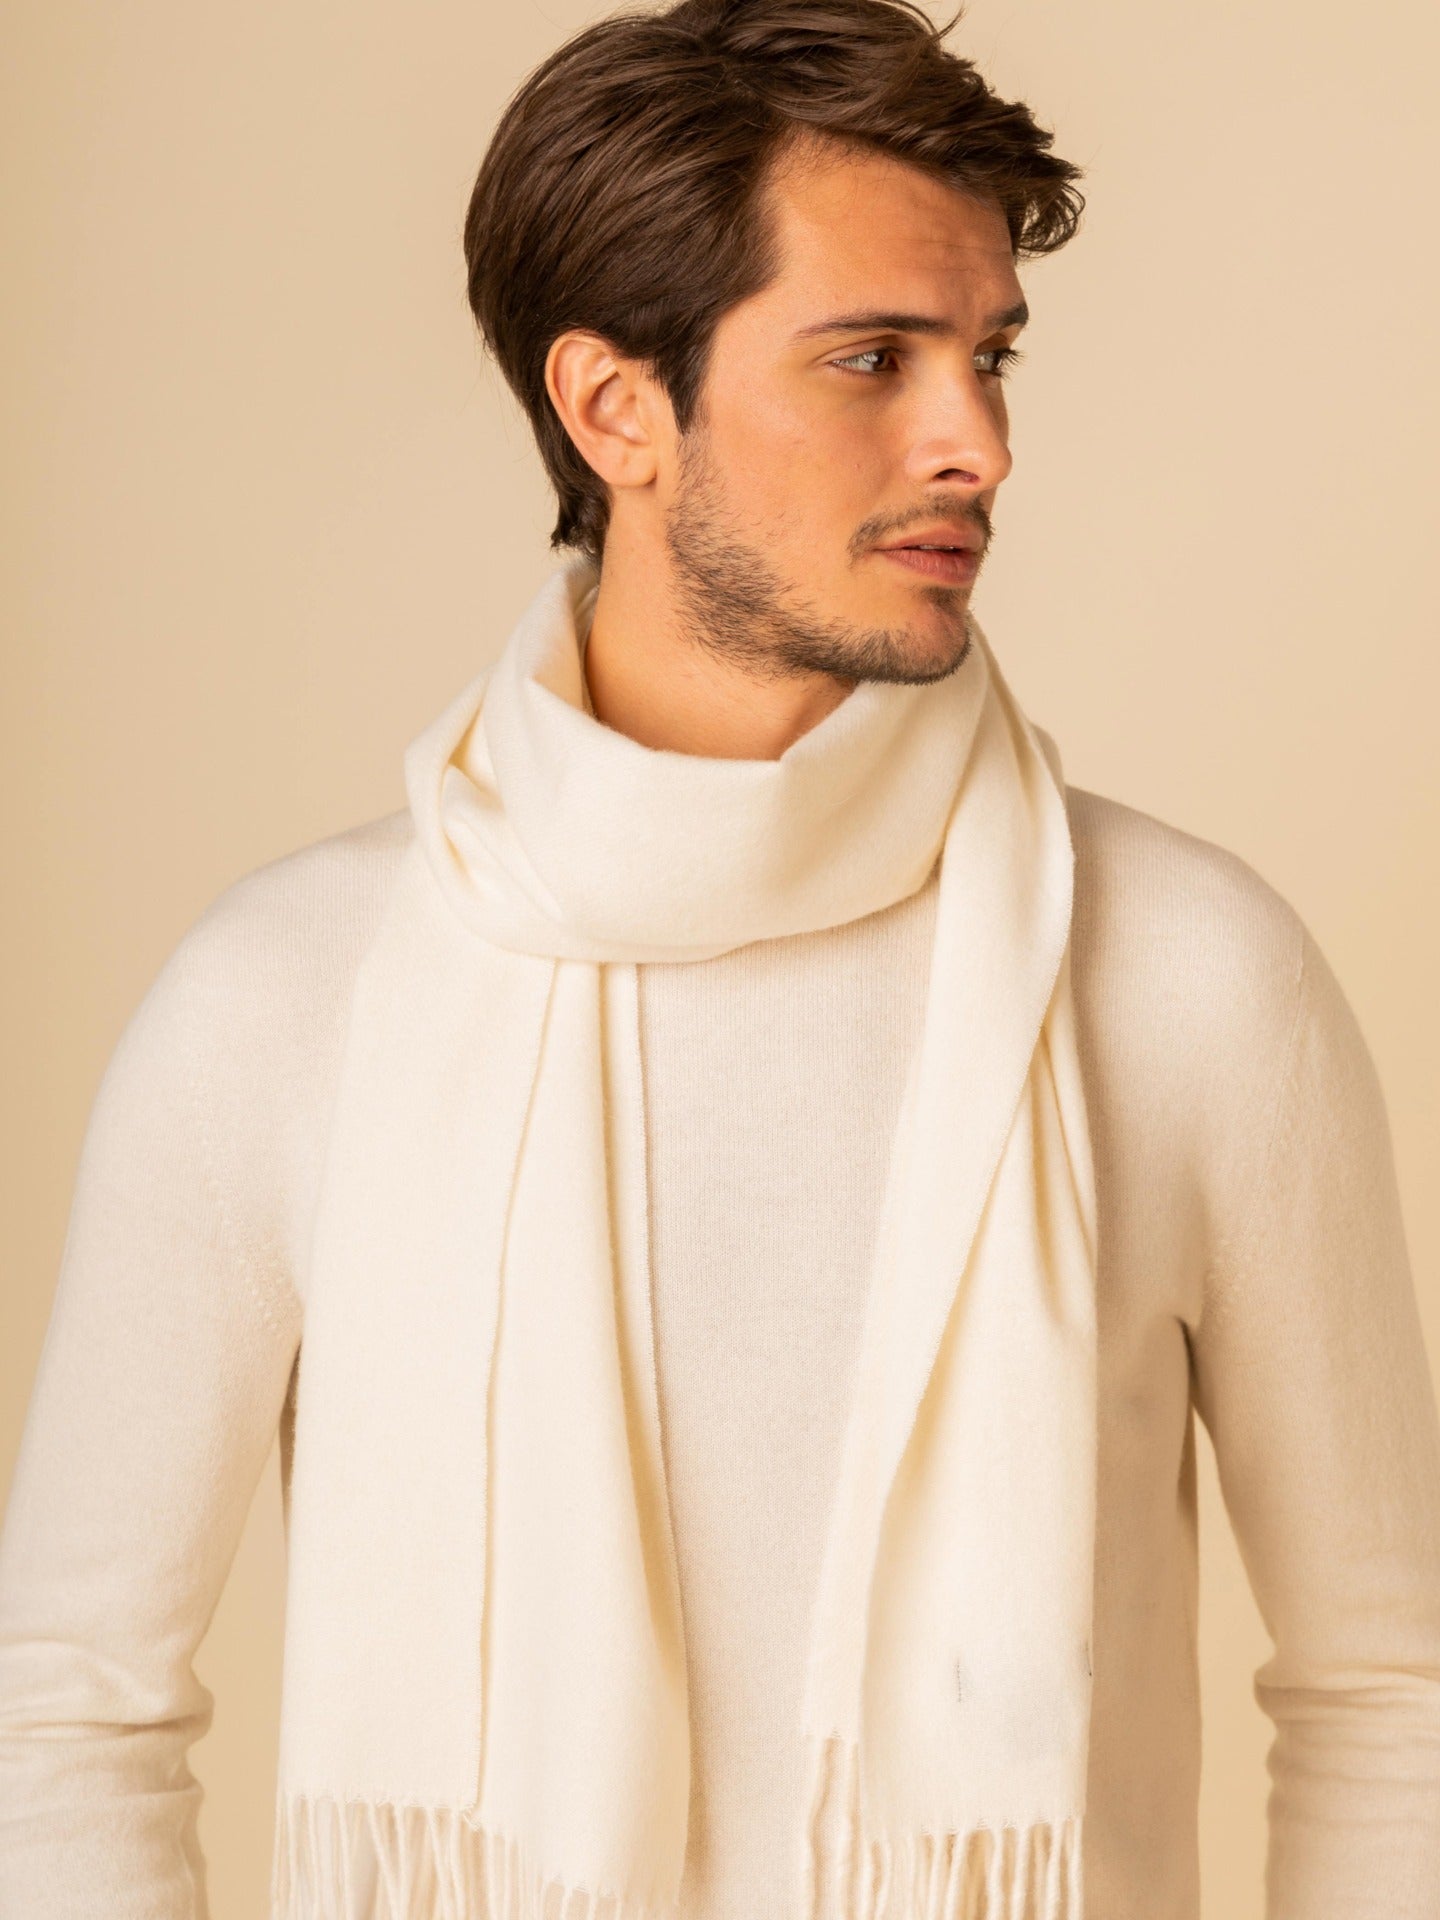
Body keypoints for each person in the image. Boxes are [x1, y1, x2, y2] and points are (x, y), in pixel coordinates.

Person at [3, 1, 1439, 1916]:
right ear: (617, 410)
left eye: (991, 355)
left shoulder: (1187, 979)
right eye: (873, 358)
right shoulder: (284, 1003)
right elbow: (68, 1714)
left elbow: (1388, 1690)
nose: (980, 443)